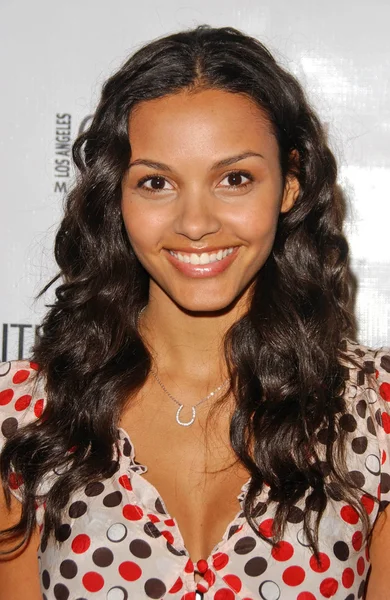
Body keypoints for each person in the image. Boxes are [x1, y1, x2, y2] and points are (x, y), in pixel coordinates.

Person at [0, 24, 389, 600]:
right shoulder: (27, 413)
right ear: (117, 195)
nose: (196, 222)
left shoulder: (374, 409)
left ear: (289, 185)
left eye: (235, 178)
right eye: (157, 182)